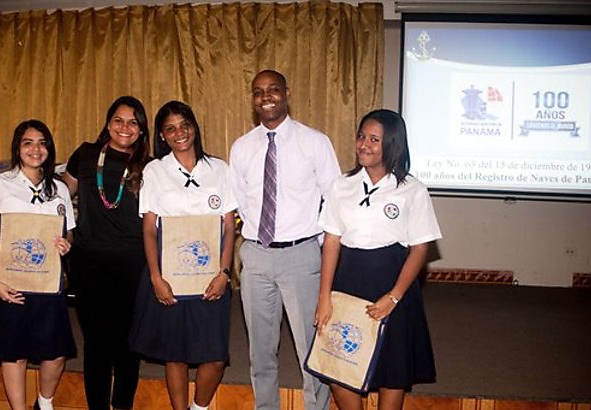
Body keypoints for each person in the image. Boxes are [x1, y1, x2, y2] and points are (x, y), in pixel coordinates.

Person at [313, 109, 441, 410]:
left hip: (393, 283)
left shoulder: (412, 190)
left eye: (374, 139)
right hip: (347, 281)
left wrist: (394, 297)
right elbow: (331, 242)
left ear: (392, 145)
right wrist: (324, 296)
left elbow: (420, 249)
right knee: (338, 366)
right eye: (361, 137)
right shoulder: (340, 186)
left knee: (392, 370)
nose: (364, 145)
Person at [229, 69, 341, 410]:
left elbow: (334, 199)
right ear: (252, 99)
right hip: (257, 257)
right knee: (260, 350)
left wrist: (318, 247)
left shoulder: (314, 142)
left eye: (273, 89)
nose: (266, 96)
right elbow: (240, 203)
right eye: (259, 91)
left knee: (311, 347)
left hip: (302, 256)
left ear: (287, 94)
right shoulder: (243, 147)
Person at [128, 100, 236, 410]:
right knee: (174, 352)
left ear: (194, 126)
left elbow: (229, 227)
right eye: (171, 128)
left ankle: (199, 408)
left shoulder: (219, 169)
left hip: (212, 275)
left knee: (215, 356)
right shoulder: (155, 170)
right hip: (170, 274)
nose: (180, 133)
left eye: (184, 124)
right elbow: (149, 229)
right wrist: (155, 278)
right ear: (162, 136)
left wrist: (224, 273)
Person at [0, 119, 76, 410]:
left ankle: (45, 402)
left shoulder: (60, 190)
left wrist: (67, 242)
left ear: (49, 149)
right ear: (18, 148)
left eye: (42, 142)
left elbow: (68, 231)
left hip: (48, 282)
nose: (35, 149)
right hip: (9, 283)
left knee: (56, 351)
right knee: (13, 351)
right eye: (28, 142)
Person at [62, 96, 151, 410]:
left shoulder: (150, 166)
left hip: (133, 263)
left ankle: (122, 405)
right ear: (108, 122)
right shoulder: (86, 154)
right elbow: (59, 197)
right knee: (97, 343)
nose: (124, 127)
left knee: (128, 343)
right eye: (118, 120)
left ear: (141, 129)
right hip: (89, 261)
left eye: (133, 122)